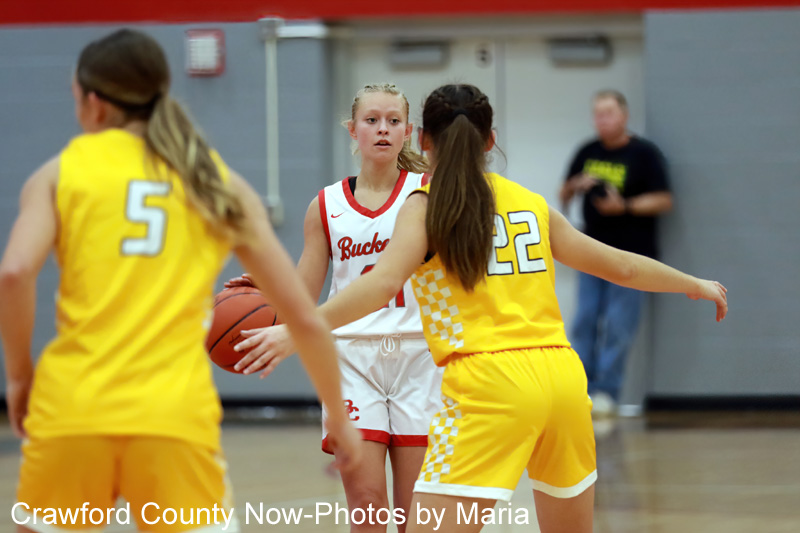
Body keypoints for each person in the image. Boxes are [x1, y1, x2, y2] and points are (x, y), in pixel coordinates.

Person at [240, 83, 727, 532]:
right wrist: (693, 283)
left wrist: (296, 330)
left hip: (488, 380)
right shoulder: (529, 202)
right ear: (491, 140)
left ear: (421, 139)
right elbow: (620, 266)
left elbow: (382, 283)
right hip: (562, 380)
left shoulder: (426, 205)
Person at [0, 29, 360, 533]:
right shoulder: (214, 182)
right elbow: (303, 315)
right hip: (172, 415)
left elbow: (14, 272)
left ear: (94, 104)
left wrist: (19, 378)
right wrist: (339, 419)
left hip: (73, 407)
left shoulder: (58, 174)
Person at [229, 83, 443, 533]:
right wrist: (267, 289)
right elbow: (303, 291)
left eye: (393, 121)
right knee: (367, 503)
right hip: (352, 361)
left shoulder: (428, 194)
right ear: (352, 129)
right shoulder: (325, 205)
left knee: (416, 512)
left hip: (420, 358)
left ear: (409, 132)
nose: (382, 129)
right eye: (372, 120)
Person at [559, 90, 674, 415]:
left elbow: (664, 200)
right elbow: (563, 192)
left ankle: (606, 393)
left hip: (632, 255)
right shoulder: (587, 151)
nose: (602, 120)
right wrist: (577, 185)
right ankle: (580, 391)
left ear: (624, 116)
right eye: (598, 114)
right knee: (584, 321)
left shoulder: (644, 154)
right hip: (591, 253)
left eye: (608, 113)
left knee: (618, 326)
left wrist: (623, 206)